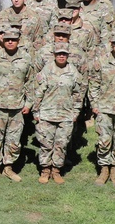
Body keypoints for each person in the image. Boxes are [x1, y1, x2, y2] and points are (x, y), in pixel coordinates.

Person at [0, 28, 32, 182]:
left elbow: (31, 82)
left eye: (14, 39)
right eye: (7, 39)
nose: (10, 42)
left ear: (18, 41)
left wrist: (28, 103)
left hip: (17, 107)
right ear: (2, 41)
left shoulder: (26, 59)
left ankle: (8, 168)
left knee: (14, 141)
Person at [32, 44, 85, 184]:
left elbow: (77, 94)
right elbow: (38, 92)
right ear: (54, 55)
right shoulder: (46, 70)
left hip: (66, 115)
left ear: (67, 55)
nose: (61, 56)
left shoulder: (73, 72)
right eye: (59, 54)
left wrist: (76, 113)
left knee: (61, 144)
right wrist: (36, 111)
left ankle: (56, 170)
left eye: (64, 54)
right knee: (46, 143)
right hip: (46, 114)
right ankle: (45, 170)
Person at [88, 30, 115, 187]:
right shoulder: (102, 61)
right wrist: (95, 104)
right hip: (104, 108)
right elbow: (94, 84)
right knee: (104, 141)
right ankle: (104, 170)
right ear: (111, 44)